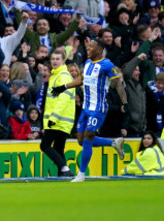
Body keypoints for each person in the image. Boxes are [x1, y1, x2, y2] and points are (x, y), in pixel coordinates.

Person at [52, 39, 127, 182]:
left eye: (91, 47)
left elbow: (117, 83)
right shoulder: (87, 63)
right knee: (81, 140)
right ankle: (113, 143)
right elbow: (80, 81)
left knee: (87, 138)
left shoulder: (107, 64)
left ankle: (81, 174)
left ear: (100, 49)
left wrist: (125, 102)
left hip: (98, 108)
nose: (88, 49)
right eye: (87, 47)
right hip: (86, 108)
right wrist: (63, 88)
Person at [40, 49, 75, 177]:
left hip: (58, 119)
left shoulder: (63, 76)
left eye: (57, 59)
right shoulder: (57, 75)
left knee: (45, 145)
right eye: (53, 59)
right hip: (63, 119)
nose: (54, 61)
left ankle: (65, 169)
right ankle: (64, 174)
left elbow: (63, 98)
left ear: (63, 61)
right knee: (59, 148)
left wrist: (54, 117)